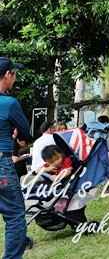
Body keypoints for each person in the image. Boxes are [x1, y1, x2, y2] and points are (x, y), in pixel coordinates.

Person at [0, 57, 31, 259]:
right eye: (15, 73)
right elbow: (27, 133)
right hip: (2, 164)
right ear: (8, 75)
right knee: (15, 217)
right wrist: (17, 133)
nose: (16, 78)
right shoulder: (9, 103)